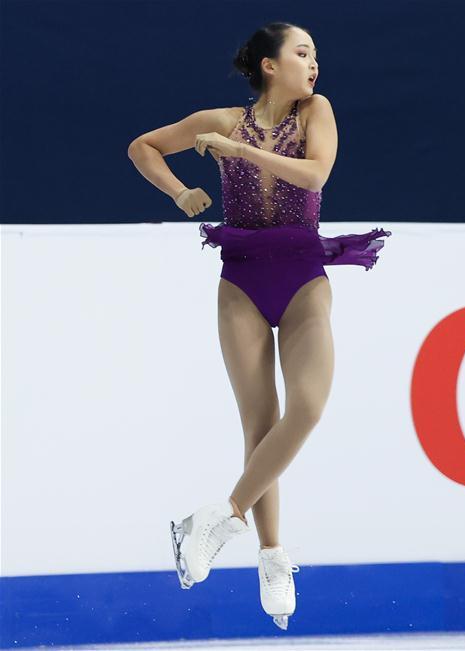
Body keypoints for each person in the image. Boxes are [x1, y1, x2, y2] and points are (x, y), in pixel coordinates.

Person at [126, 22, 390, 630]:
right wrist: (178, 192)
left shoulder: (314, 111)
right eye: (302, 53)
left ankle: (221, 517)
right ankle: (271, 554)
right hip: (241, 278)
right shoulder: (218, 119)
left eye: (316, 55)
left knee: (309, 407)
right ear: (270, 65)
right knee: (260, 423)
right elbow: (143, 146)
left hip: (301, 273)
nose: (314, 64)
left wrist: (239, 152)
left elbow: (316, 175)